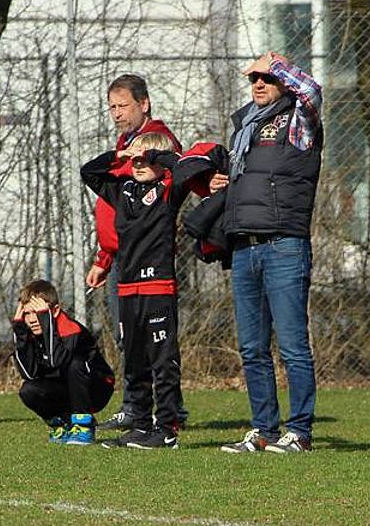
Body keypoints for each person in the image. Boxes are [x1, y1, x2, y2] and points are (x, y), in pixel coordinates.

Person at [211, 52, 323, 453]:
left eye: (267, 78)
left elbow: (311, 91)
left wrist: (277, 64)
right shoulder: (245, 127)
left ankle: (300, 432)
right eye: (254, 78)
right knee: (252, 348)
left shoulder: (298, 121)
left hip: (284, 246)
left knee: (292, 346)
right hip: (245, 247)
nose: (258, 83)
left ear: (283, 81)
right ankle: (264, 430)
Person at [81, 133, 216, 449]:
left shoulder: (169, 188)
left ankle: (167, 428)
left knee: (162, 361)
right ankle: (140, 426)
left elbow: (185, 166)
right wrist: (120, 155)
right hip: (128, 289)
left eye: (146, 158)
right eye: (135, 159)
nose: (139, 163)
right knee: (134, 362)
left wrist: (157, 155)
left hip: (158, 287)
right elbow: (89, 172)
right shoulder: (122, 190)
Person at [89, 74, 190, 432]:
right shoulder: (125, 144)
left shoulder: (157, 141)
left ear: (144, 104)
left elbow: (179, 173)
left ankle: (165, 413)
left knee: (155, 345)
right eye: (112, 107)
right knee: (128, 339)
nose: (116, 113)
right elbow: (111, 200)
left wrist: (148, 155)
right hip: (120, 259)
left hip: (148, 264)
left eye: (123, 105)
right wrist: (104, 258)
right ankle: (137, 408)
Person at [13, 280, 115, 445]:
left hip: (97, 387)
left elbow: (57, 361)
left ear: (54, 311)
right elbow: (29, 373)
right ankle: (62, 424)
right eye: (27, 314)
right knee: (28, 390)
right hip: (65, 386)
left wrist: (46, 322)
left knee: (75, 363)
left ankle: (84, 426)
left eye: (37, 312)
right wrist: (19, 332)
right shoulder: (30, 333)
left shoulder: (69, 328)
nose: (32, 319)